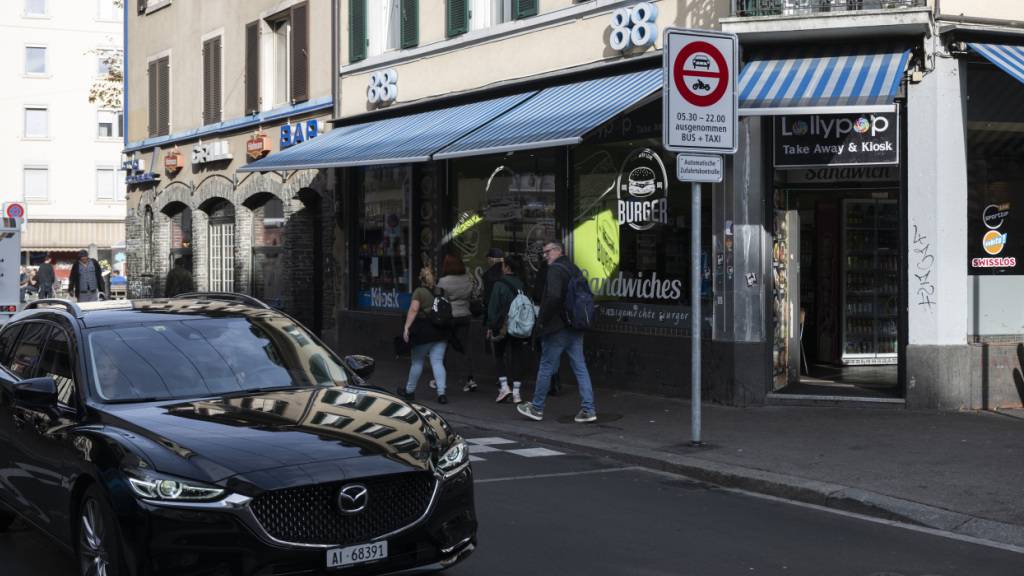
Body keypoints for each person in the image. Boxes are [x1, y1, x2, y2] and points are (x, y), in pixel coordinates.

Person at [517, 241, 597, 423]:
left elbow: (553, 296)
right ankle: (588, 409)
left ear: (558, 251)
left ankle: (536, 408)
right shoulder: (574, 268)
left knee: (546, 366)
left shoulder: (555, 270)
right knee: (580, 367)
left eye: (547, 252)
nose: (545, 256)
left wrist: (542, 321)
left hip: (557, 327)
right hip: (575, 326)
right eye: (544, 253)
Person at [401, 265, 451, 404]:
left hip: (424, 331)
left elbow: (413, 310)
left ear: (421, 279)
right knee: (438, 362)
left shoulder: (419, 292)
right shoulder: (442, 291)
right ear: (434, 278)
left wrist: (406, 327)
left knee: (417, 362)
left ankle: (409, 391)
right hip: (441, 331)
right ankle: (442, 393)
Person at [487, 255, 531, 404]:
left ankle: (505, 387)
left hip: (502, 325)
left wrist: (491, 326)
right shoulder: (522, 284)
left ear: (506, 267)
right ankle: (517, 392)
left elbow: (493, 308)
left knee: (499, 354)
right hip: (519, 325)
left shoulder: (499, 284)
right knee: (517, 356)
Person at [436, 254, 477, 392]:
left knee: (443, 347)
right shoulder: (468, 279)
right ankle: (470, 379)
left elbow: (441, 300)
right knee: (464, 348)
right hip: (465, 316)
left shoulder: (443, 281)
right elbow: (472, 296)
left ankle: (439, 378)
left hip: (449, 317)